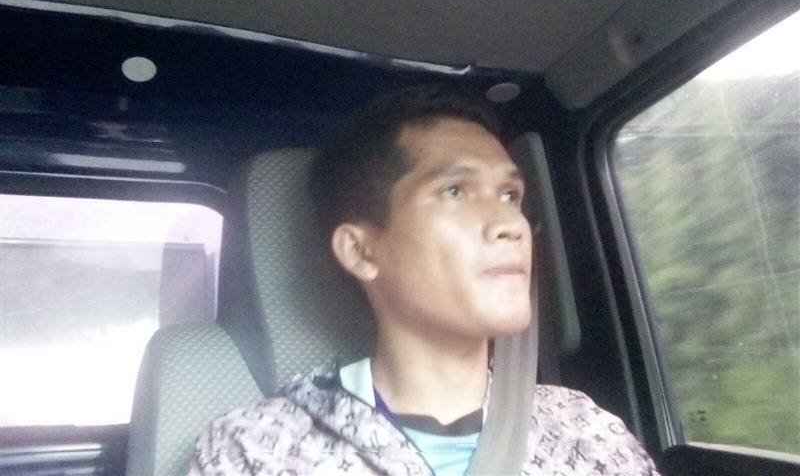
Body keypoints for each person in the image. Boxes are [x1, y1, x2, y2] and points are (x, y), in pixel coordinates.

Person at [188, 86, 660, 475]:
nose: (512, 225)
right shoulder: (257, 451)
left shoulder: (584, 431)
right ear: (360, 251)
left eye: (510, 195)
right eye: (455, 191)